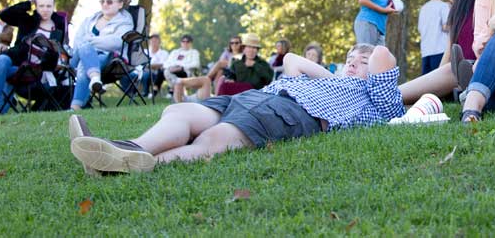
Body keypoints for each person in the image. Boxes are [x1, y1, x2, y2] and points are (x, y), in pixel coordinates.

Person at [68, 44, 403, 174]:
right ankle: (126, 150)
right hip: (257, 97)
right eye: (349, 60)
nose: (353, 65)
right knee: (180, 114)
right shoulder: (332, 78)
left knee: (214, 139)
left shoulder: (374, 99)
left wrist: (364, 64)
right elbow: (291, 61)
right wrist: (332, 73)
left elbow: (383, 56)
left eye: (361, 62)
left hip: (292, 112)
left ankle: (126, 164)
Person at [0, 0, 68, 115]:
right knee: (1, 60)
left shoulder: (57, 27)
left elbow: (56, 56)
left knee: (0, 70)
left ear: (54, 6)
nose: (45, 10)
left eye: (49, 6)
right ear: (36, 6)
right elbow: (5, 14)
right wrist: (28, 3)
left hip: (36, 72)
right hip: (17, 65)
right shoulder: (28, 20)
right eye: (41, 6)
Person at [69, 0, 135, 110]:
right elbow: (78, 39)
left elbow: (117, 42)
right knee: (84, 49)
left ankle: (75, 106)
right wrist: (89, 45)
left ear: (120, 4)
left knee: (85, 60)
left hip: (108, 58)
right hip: (78, 56)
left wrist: (90, 42)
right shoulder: (91, 19)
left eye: (109, 2)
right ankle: (95, 79)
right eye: (102, 1)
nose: (105, 4)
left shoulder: (125, 21)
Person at [173, 36, 242, 103]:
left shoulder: (243, 54)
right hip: (224, 71)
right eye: (232, 43)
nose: (234, 45)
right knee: (220, 71)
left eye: (236, 43)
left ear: (240, 44)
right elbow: (221, 60)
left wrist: (230, 62)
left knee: (219, 66)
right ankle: (217, 95)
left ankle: (207, 78)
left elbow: (237, 64)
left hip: (233, 71)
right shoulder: (227, 52)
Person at [417, 0, 451, 75]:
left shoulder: (423, 8)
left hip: (425, 52)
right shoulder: (443, 6)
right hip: (440, 51)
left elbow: (420, 29)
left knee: (428, 86)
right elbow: (446, 27)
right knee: (441, 84)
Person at [164, 34, 201, 99]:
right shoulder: (175, 52)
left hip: (186, 72)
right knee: (166, 71)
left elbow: (196, 64)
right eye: (183, 41)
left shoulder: (194, 52)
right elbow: (166, 63)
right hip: (173, 70)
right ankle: (177, 91)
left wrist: (181, 67)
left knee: (174, 74)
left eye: (187, 41)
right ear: (181, 43)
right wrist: (171, 68)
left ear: (191, 43)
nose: (185, 43)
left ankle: (173, 90)